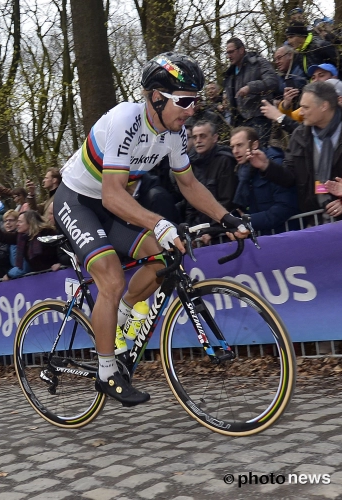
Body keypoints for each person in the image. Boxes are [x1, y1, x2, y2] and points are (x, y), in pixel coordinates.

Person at [54, 52, 249, 406]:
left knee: (165, 257)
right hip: (78, 201)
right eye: (185, 101)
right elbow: (113, 195)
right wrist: (159, 223)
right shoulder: (125, 120)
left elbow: (189, 184)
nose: (192, 110)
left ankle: (125, 314)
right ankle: (106, 372)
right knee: (111, 278)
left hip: (111, 205)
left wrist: (227, 218)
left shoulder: (173, 133)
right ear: (156, 97)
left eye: (196, 101)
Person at [254, 81, 342, 220]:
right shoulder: (299, 135)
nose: (300, 112)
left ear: (324, 106)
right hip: (316, 221)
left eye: (305, 107)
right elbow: (290, 177)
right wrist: (266, 166)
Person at [230, 127, 300, 234]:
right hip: (263, 238)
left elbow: (285, 207)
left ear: (254, 145)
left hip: (286, 235)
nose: (235, 151)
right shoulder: (241, 173)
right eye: (232, 147)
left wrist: (248, 221)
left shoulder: (275, 165)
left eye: (239, 145)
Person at [223, 37, 280, 146]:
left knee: (257, 151)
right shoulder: (230, 74)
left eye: (231, 52)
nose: (229, 56)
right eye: (227, 53)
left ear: (241, 50)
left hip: (259, 118)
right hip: (239, 122)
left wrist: (250, 87)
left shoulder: (258, 62)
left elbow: (272, 81)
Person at [184, 121, 238, 233]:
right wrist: (191, 230)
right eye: (195, 137)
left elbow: (226, 201)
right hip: (200, 231)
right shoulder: (191, 165)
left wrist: (211, 231)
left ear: (214, 138)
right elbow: (190, 204)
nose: (198, 141)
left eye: (203, 136)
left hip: (220, 231)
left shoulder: (225, 161)